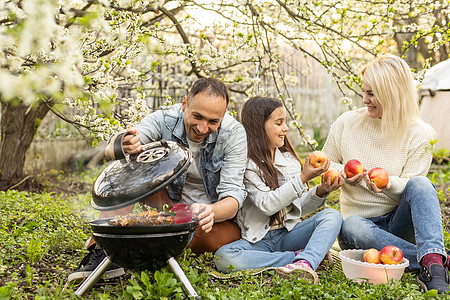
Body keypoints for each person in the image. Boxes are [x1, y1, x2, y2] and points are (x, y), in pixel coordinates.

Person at [68, 77, 247, 282]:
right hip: (167, 206)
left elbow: (233, 197)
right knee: (132, 173)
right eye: (197, 116)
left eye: (213, 121)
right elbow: (121, 144)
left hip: (208, 218)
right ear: (184, 104)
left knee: (198, 243)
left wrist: (211, 211)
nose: (203, 128)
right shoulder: (164, 119)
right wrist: (122, 144)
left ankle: (145, 245)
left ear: (223, 116)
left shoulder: (234, 134)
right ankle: (101, 249)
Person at [322, 54, 450, 294]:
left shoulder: (420, 134)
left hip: (399, 223)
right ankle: (435, 260)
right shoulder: (347, 123)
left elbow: (413, 186)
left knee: (422, 184)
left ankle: (432, 268)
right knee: (351, 226)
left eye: (372, 94)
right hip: (361, 230)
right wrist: (343, 174)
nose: (365, 100)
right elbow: (325, 163)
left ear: (391, 93)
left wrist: (388, 182)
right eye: (364, 92)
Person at [214, 96, 343, 284]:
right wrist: (303, 177)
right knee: (224, 257)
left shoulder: (289, 161)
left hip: (289, 233)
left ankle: (305, 261)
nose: (286, 128)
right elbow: (267, 205)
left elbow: (298, 207)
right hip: (258, 241)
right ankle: (301, 259)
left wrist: (321, 190)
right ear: (259, 126)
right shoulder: (246, 165)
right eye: (279, 123)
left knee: (332, 216)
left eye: (285, 122)